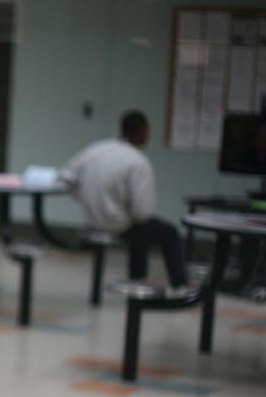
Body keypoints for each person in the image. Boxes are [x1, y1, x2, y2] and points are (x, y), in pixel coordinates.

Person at [61, 110, 189, 291]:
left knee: (142, 230)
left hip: (91, 220)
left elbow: (65, 177)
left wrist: (81, 197)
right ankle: (180, 286)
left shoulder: (97, 149)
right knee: (168, 233)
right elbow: (142, 213)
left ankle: (138, 277)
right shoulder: (138, 162)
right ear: (141, 131)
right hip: (117, 225)